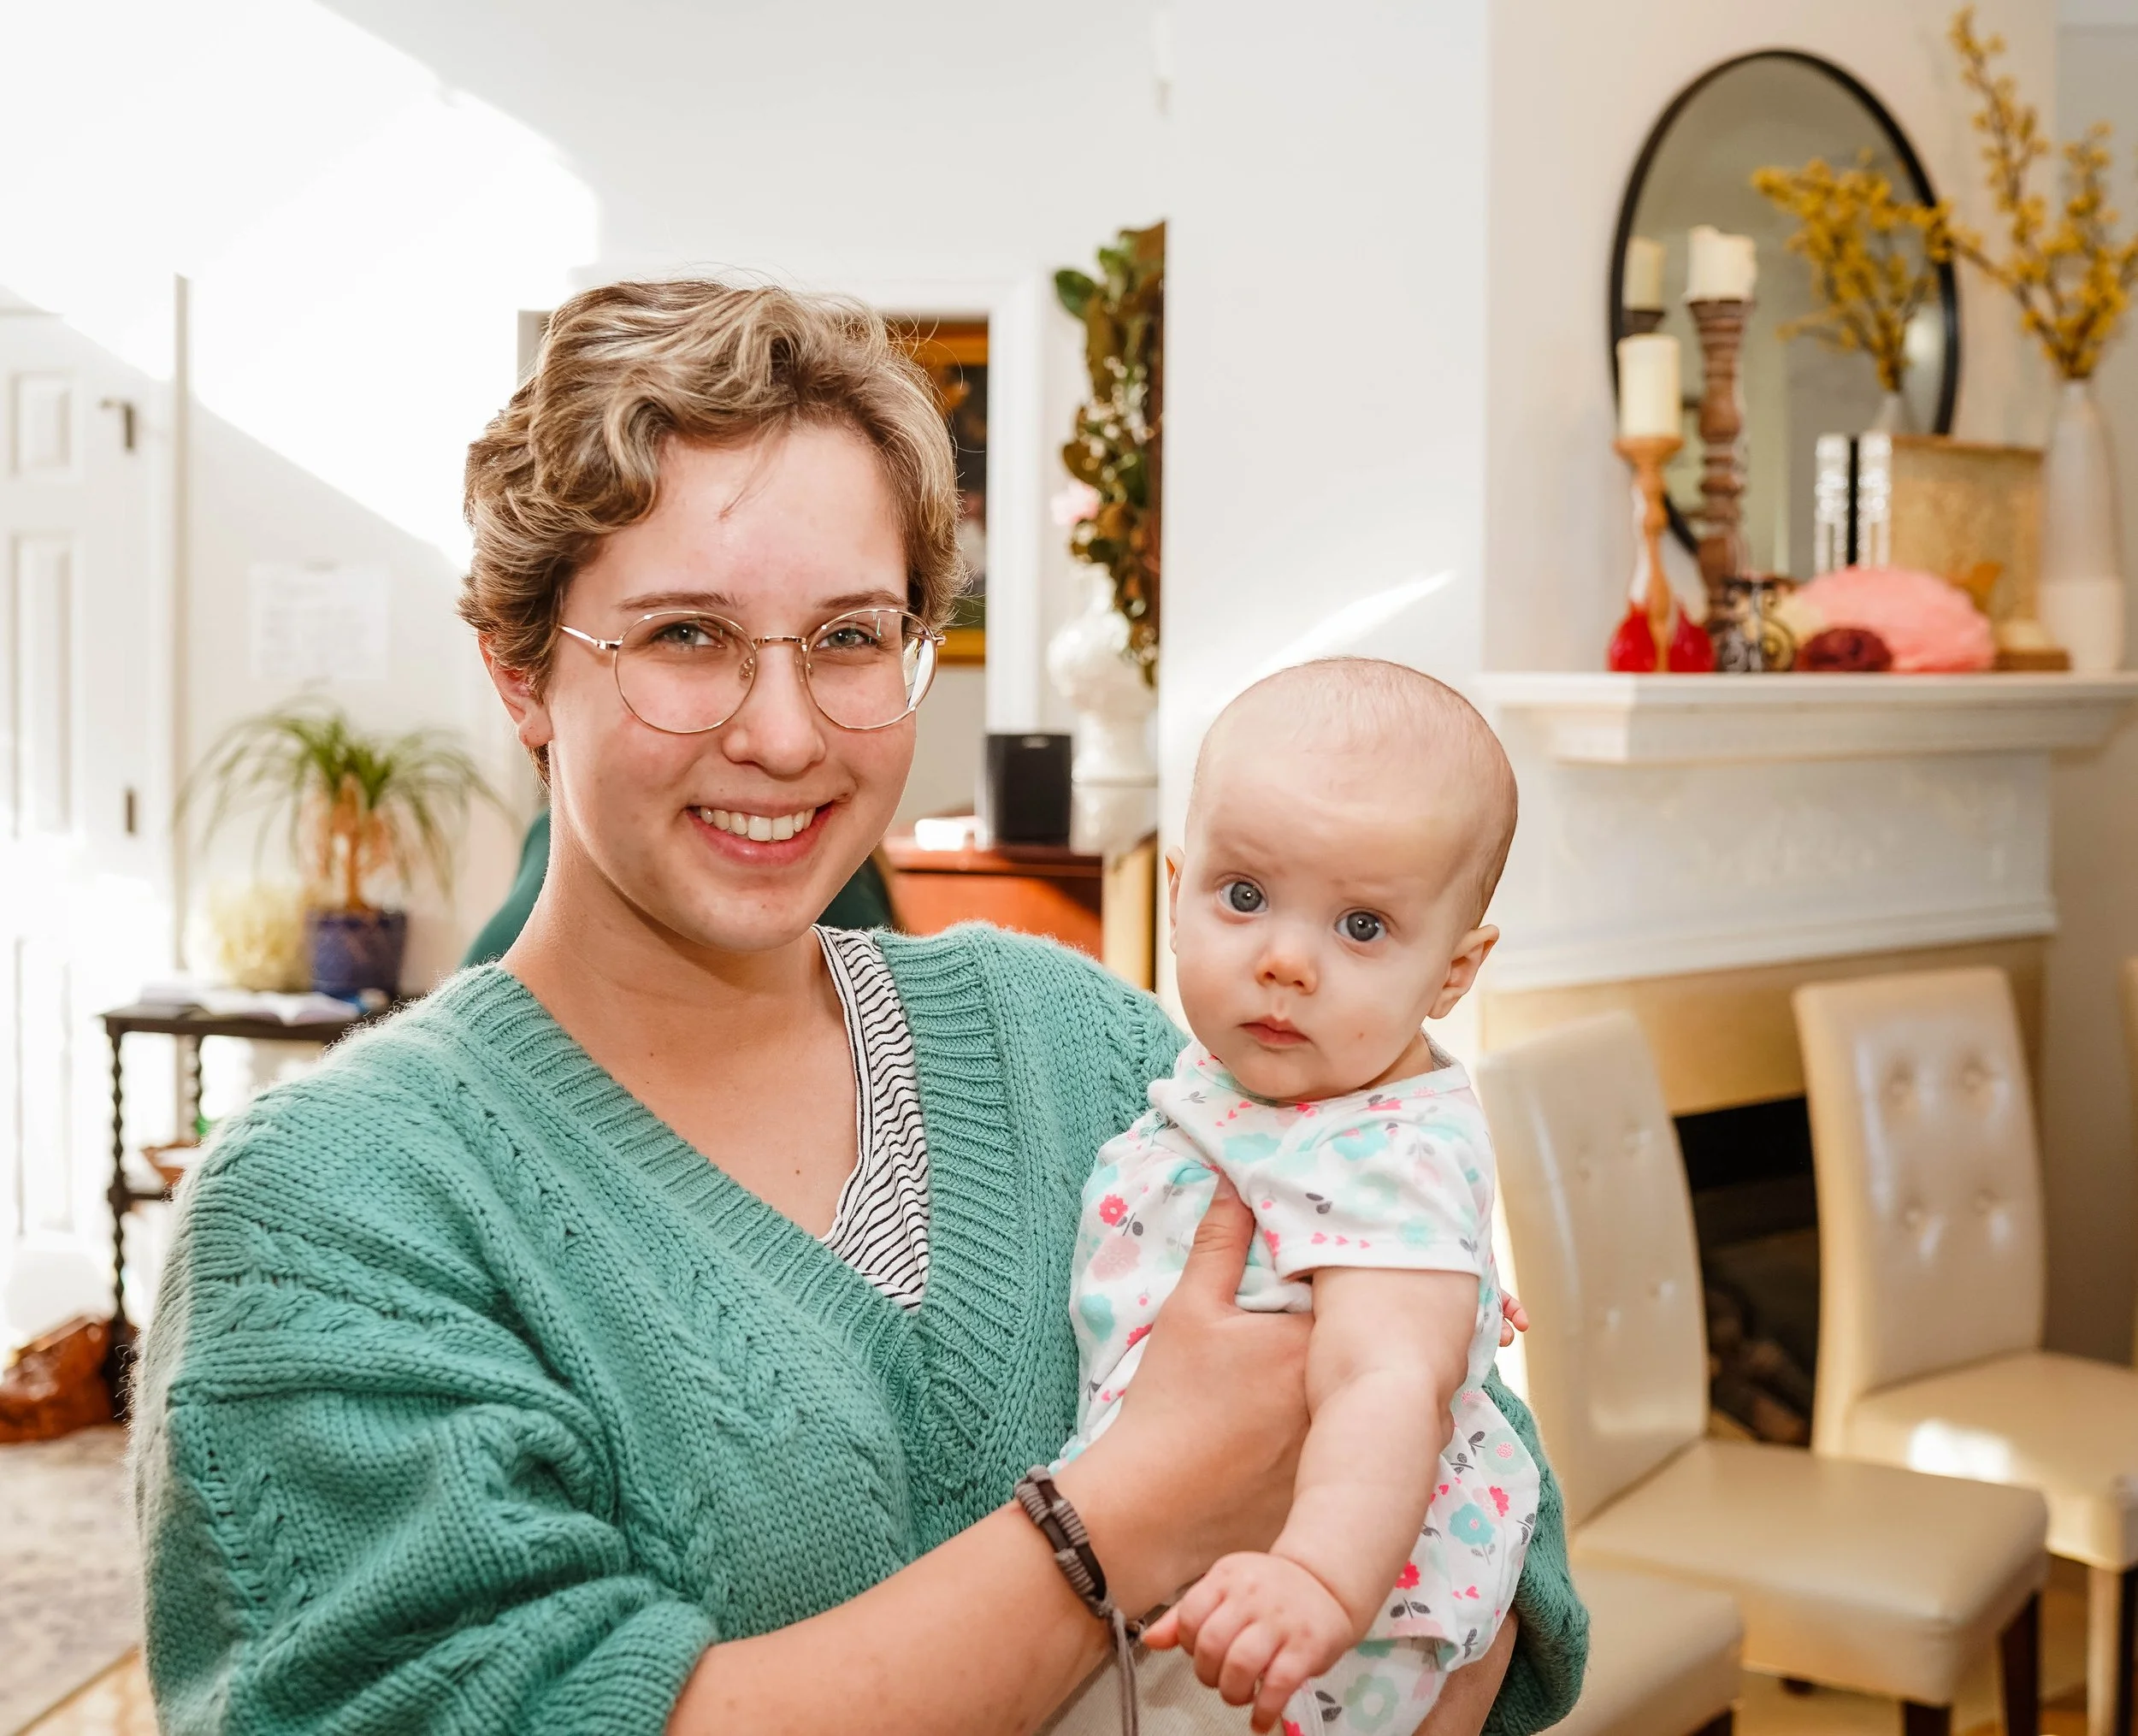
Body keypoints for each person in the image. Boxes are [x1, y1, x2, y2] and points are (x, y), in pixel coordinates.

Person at [131, 279, 1586, 1736]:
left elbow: (1487, 1509)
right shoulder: (331, 1219)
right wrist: (1132, 1510)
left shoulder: (1087, 1046)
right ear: (520, 671)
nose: (781, 734)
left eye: (846, 638)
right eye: (687, 636)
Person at [1064, 660, 1537, 1734]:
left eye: (1361, 927)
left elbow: (1383, 1377)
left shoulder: (1381, 1148)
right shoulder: (1264, 1089)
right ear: (1177, 891)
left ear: (1454, 974)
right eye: (1243, 896)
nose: (1285, 960)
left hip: (1311, 1631)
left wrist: (1319, 1580)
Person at [459, 806, 897, 966]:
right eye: (683, 635)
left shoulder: (550, 829)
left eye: (847, 638)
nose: (786, 745)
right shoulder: (811, 864)